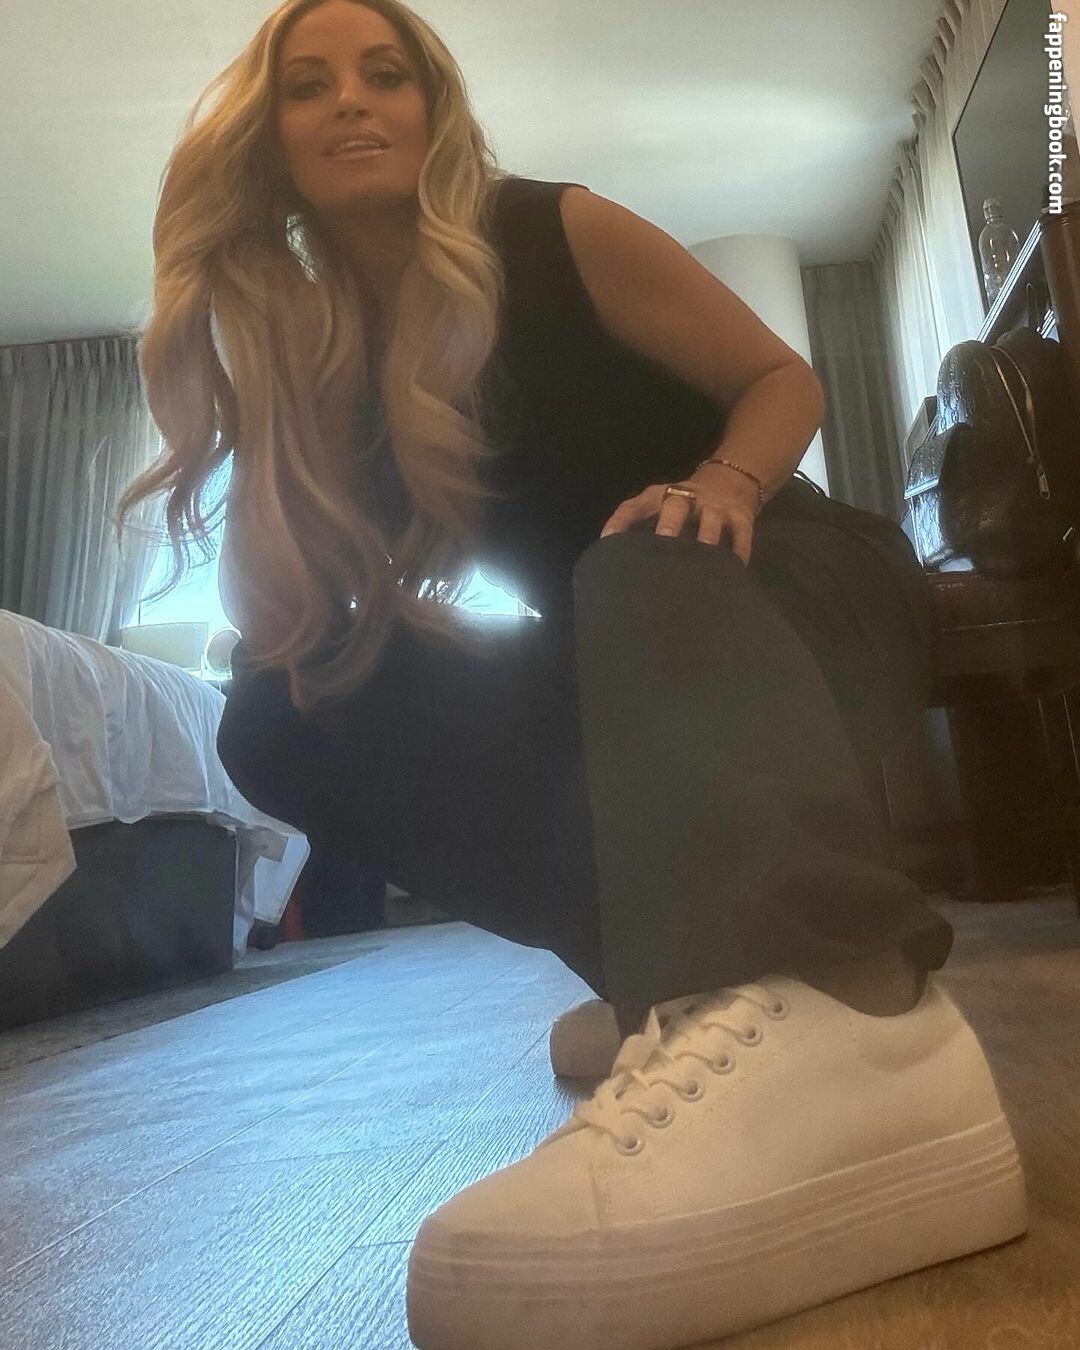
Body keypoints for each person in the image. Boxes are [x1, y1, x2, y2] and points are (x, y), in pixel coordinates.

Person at [117, 2, 1028, 1346]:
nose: (353, 101)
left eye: (385, 74)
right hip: (609, 629)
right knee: (279, 714)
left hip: (777, 565)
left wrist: (721, 484)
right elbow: (287, 614)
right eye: (309, 87)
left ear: (432, 111)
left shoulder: (550, 229)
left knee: (641, 559)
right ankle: (670, 971)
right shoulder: (327, 353)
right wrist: (250, 389)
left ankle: (845, 1000)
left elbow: (780, 378)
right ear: (271, 140)